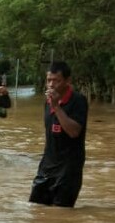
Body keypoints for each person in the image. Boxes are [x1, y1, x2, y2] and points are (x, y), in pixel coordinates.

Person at [29, 61, 88, 207]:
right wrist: (53, 104)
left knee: (61, 213)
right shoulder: (48, 101)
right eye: (48, 80)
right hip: (47, 166)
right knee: (35, 209)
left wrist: (56, 106)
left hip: (68, 170)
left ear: (68, 81)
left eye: (56, 81)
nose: (51, 85)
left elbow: (74, 132)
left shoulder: (78, 101)